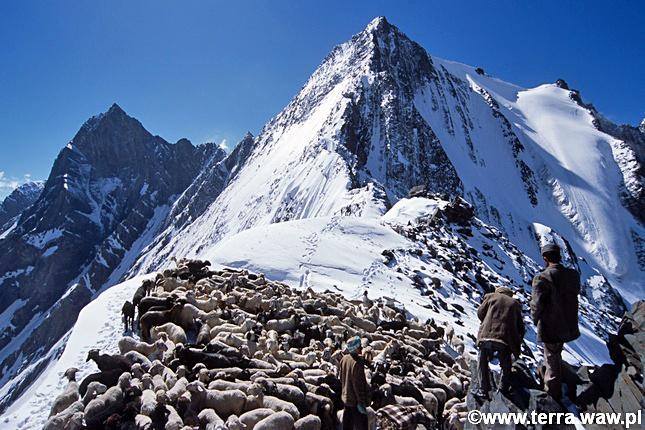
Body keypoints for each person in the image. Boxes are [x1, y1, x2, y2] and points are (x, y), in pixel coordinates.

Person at [530, 243, 580, 401]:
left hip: (550, 326)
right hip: (569, 324)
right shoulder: (573, 275)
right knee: (556, 353)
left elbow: (537, 303)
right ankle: (560, 381)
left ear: (545, 257)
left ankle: (552, 393)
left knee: (550, 357)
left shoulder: (542, 277)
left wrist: (535, 318)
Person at [474, 286, 525, 399]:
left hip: (486, 336)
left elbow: (480, 313)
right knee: (506, 363)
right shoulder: (515, 304)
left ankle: (483, 389)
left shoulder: (490, 297)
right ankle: (503, 388)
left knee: (482, 360)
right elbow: (521, 327)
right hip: (504, 339)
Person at [340, 336, 369, 430]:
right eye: (359, 346)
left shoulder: (344, 359)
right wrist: (361, 402)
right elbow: (358, 385)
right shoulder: (357, 363)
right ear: (355, 348)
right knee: (362, 426)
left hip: (346, 399)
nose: (361, 348)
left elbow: (341, 378)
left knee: (347, 426)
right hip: (355, 402)